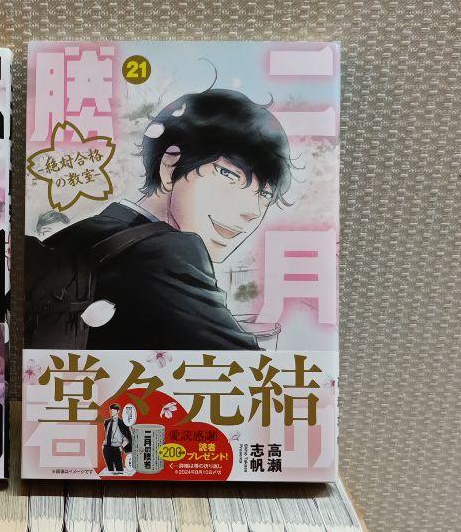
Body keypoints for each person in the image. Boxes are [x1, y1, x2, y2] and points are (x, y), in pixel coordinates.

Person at [31, 87, 291, 351]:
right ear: (170, 166)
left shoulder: (71, 237)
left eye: (265, 195)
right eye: (228, 174)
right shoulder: (169, 253)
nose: (252, 210)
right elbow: (247, 367)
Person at [100, 402, 132, 474]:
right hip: (106, 448)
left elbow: (127, 438)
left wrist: (121, 447)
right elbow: (107, 434)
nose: (112, 412)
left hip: (116, 448)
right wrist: (103, 446)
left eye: (114, 410)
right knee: (110, 470)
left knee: (119, 470)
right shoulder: (107, 422)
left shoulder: (123, 423)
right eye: (111, 410)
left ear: (118, 411)